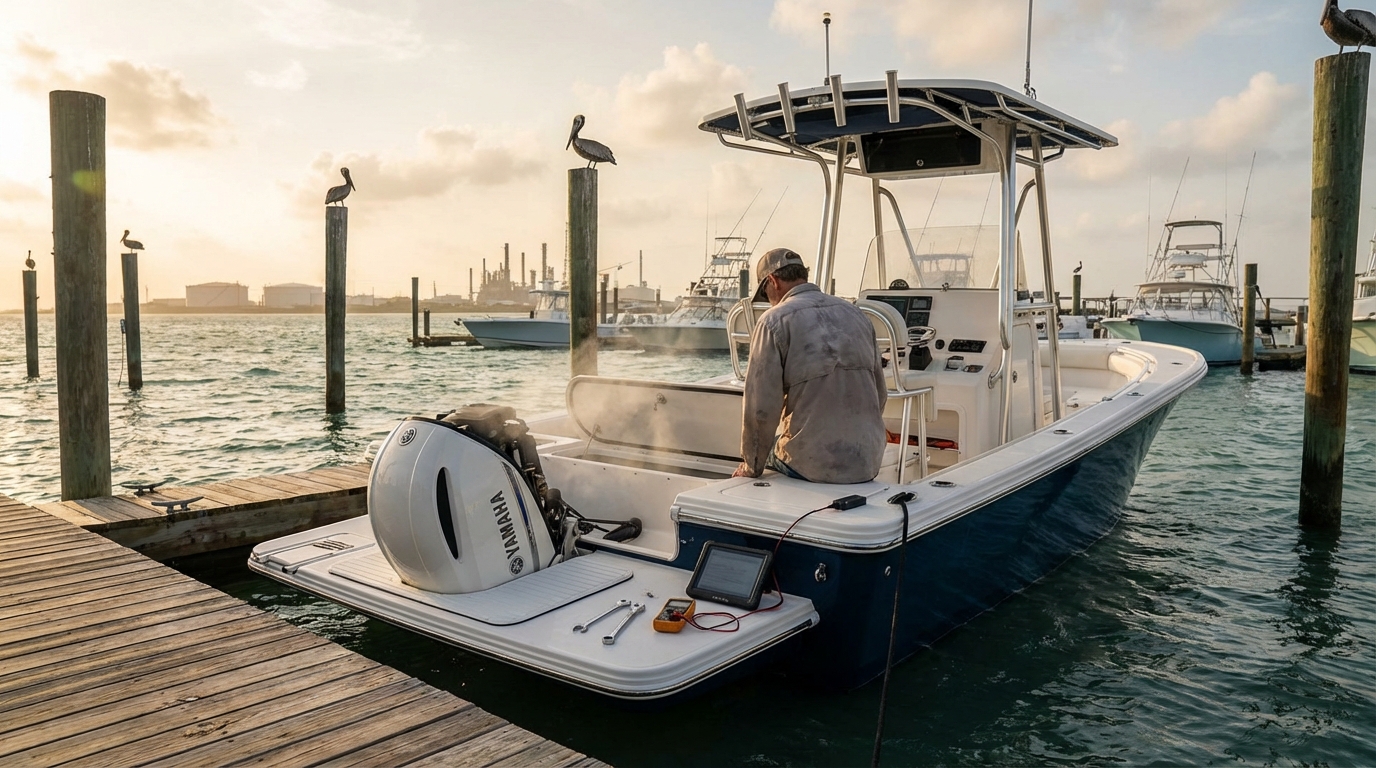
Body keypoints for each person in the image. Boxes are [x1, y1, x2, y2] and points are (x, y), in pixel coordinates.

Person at [733, 248, 888, 484]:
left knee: (762, 454)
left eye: (765, 295)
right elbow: (880, 394)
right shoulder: (856, 314)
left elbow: (761, 410)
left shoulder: (773, 321)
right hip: (867, 460)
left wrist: (750, 466)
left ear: (772, 281)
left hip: (812, 465)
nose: (769, 302)